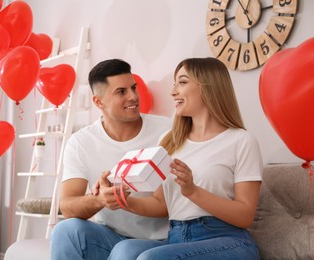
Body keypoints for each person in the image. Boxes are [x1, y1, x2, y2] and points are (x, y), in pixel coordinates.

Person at [102, 57, 263, 260]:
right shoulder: (169, 141)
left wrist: (193, 191)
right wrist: (124, 201)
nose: (173, 91)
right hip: (177, 237)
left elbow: (245, 216)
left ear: (208, 86)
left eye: (183, 82)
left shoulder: (241, 141)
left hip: (227, 239)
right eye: (175, 84)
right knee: (123, 251)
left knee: (149, 259)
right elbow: (161, 204)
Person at [50, 59, 172, 260]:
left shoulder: (167, 131)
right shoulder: (81, 142)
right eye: (121, 92)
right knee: (64, 230)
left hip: (160, 240)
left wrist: (123, 200)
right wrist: (100, 199)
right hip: (111, 235)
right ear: (99, 102)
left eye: (134, 88)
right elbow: (68, 205)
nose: (133, 96)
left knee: (124, 252)